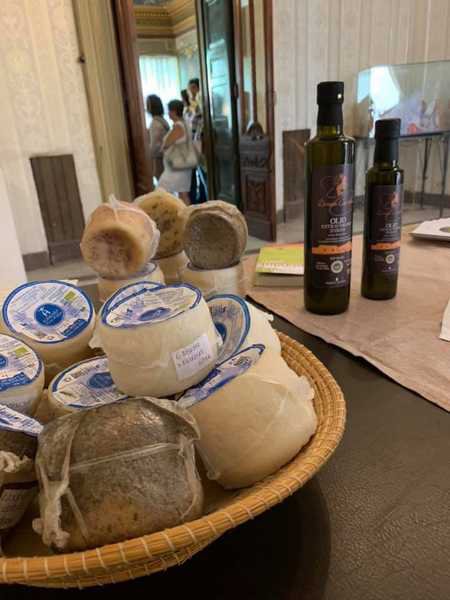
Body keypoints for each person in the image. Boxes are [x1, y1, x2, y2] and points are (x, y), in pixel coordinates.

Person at [159, 99, 194, 204]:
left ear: (174, 112)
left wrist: (163, 147)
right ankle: (184, 212)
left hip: (177, 165)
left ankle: (177, 211)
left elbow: (167, 144)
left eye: (169, 111)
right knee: (182, 193)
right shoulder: (185, 123)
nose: (168, 113)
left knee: (162, 190)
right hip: (182, 163)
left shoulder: (178, 126)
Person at [146, 94, 170, 181]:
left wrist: (148, 155)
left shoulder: (155, 123)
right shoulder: (162, 120)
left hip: (160, 159)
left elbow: (155, 145)